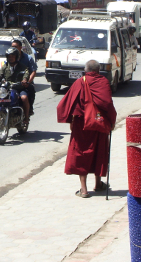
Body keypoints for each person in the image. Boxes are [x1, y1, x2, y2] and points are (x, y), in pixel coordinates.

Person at [56, 60, 117, 198]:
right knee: (99, 151)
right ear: (98, 70)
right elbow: (107, 103)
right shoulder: (103, 82)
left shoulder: (79, 82)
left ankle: (84, 190)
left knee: (82, 153)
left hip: (81, 123)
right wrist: (112, 120)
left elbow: (68, 103)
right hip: (99, 122)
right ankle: (98, 183)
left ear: (86, 70)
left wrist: (70, 120)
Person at [0, 47, 30, 123]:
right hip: (7, 89)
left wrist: (24, 80)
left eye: (13, 56)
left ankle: (26, 117)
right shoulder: (5, 66)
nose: (11, 58)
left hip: (19, 88)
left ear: (16, 57)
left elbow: (26, 73)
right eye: (9, 56)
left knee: (24, 98)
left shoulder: (22, 66)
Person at [11, 39, 36, 115]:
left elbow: (33, 71)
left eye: (15, 47)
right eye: (12, 47)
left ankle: (27, 115)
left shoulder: (28, 58)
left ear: (20, 47)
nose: (13, 49)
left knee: (24, 97)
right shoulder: (10, 58)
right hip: (12, 84)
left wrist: (28, 82)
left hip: (24, 84)